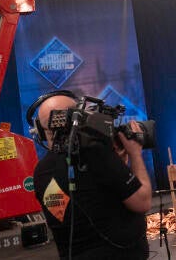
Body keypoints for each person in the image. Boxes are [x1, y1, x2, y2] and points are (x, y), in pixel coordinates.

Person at [31, 92, 152, 259]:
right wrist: (135, 154)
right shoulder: (96, 154)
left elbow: (84, 201)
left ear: (41, 130)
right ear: (78, 118)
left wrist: (118, 164)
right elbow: (142, 201)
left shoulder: (41, 172)